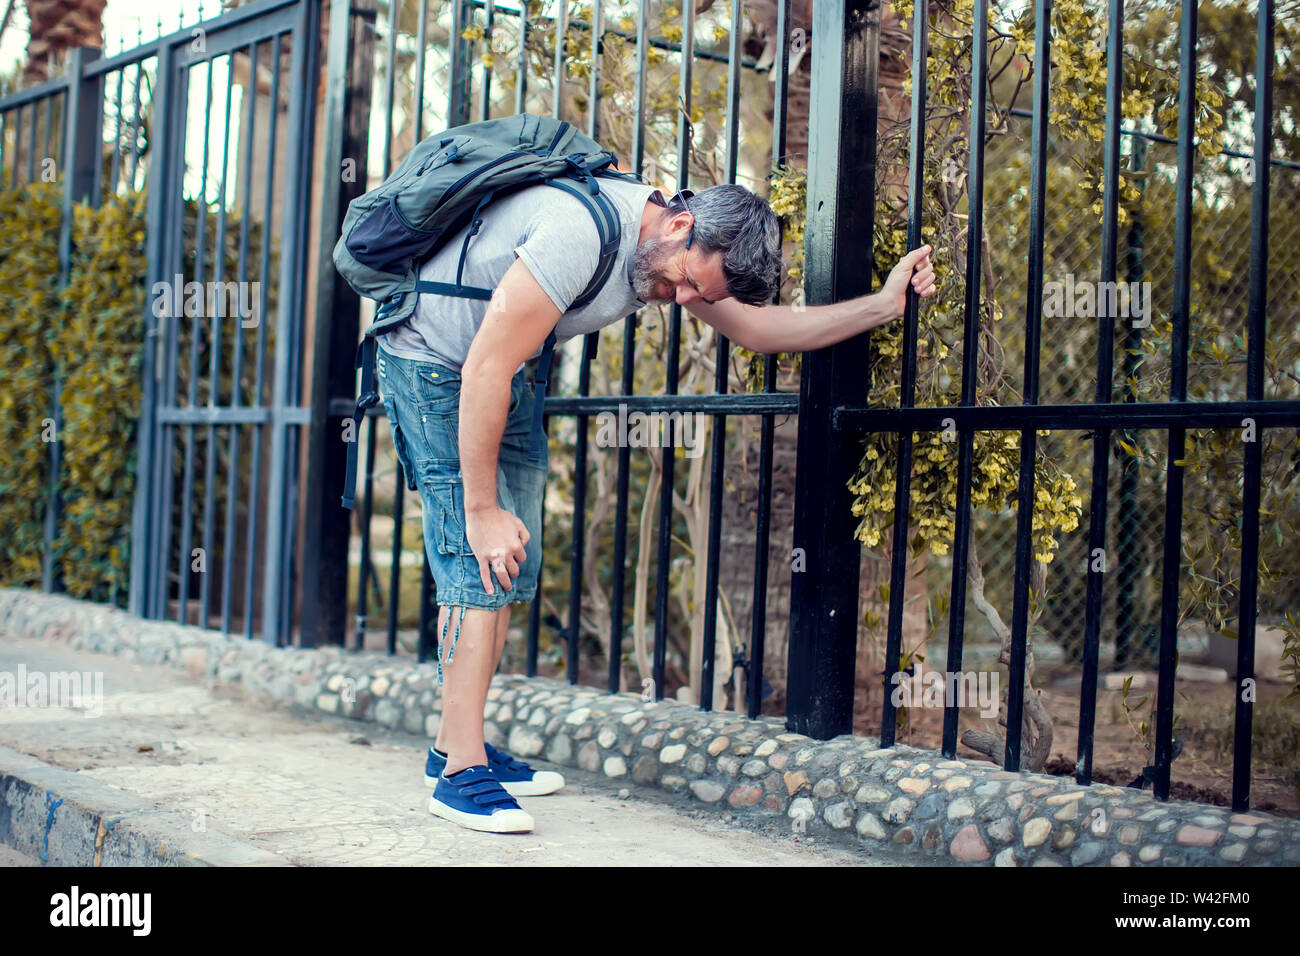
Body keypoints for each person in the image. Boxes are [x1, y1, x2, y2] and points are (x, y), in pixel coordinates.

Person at [374, 177, 937, 833]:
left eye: (703, 295)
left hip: (507, 369)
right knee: (477, 561)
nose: (686, 301)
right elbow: (481, 370)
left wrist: (884, 305)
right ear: (679, 224)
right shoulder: (576, 234)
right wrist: (478, 511)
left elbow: (759, 330)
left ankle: (453, 744)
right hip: (439, 361)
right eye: (689, 282)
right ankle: (459, 775)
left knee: (507, 564)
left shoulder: (675, 256)